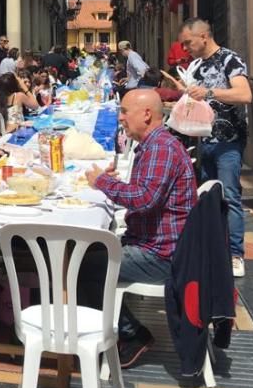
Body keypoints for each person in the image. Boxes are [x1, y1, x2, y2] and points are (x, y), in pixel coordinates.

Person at [81, 89, 196, 368]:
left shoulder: (160, 147)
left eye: (124, 111)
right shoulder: (155, 144)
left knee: (81, 266)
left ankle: (132, 335)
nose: (120, 117)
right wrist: (116, 184)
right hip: (157, 244)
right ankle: (109, 329)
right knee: (89, 252)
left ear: (146, 114)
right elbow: (145, 193)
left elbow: (144, 199)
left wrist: (103, 184)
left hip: (163, 256)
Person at [177, 17, 252, 278]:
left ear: (204, 37)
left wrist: (208, 92)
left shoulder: (230, 60)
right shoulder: (196, 66)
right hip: (204, 140)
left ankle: (235, 254)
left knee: (229, 196)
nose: (186, 48)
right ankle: (212, 248)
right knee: (207, 197)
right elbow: (196, 100)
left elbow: (245, 95)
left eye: (188, 42)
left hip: (228, 141)